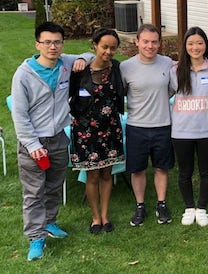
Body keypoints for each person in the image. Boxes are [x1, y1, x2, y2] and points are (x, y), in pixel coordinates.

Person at [11, 22, 90, 261]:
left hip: (58, 138)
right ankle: (36, 238)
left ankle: (50, 222)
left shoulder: (65, 63)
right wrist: (33, 146)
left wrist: (83, 60)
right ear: (38, 45)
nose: (52, 46)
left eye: (57, 42)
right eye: (47, 42)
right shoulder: (24, 74)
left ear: (62, 44)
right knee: (34, 192)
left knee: (55, 186)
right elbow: (20, 115)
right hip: (33, 143)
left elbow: (90, 53)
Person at [69, 28, 125, 234]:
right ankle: (95, 218)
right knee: (92, 175)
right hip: (85, 131)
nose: (109, 51)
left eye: (113, 47)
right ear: (94, 45)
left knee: (107, 174)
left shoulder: (117, 68)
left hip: (110, 130)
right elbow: (71, 96)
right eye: (104, 47)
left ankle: (105, 215)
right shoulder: (80, 71)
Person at [121, 24, 175, 226]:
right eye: (145, 41)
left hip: (163, 125)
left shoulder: (168, 63)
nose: (150, 46)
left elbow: (172, 89)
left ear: (160, 43)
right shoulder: (125, 67)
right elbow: (122, 92)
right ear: (136, 41)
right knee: (138, 169)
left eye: (154, 42)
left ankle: (161, 204)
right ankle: (140, 206)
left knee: (162, 168)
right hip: (137, 126)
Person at [170, 27, 208, 227]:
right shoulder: (175, 70)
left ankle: (201, 208)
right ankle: (189, 207)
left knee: (206, 171)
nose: (195, 47)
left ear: (206, 45)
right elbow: (167, 92)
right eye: (191, 43)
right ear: (185, 46)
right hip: (181, 131)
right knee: (184, 172)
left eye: (200, 43)